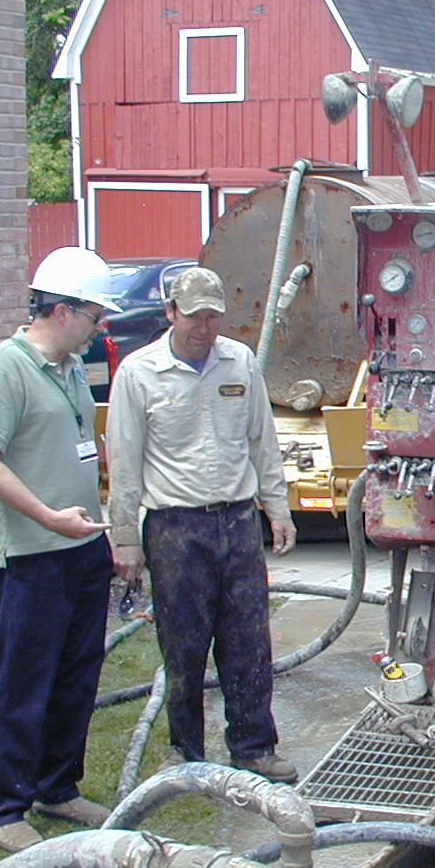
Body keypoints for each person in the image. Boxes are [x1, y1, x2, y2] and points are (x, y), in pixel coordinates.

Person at [105, 266, 299, 781]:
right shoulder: (138, 374)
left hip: (237, 522)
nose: (205, 327)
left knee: (249, 642)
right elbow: (123, 461)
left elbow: (264, 441)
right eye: (194, 317)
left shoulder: (240, 364)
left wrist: (277, 508)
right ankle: (186, 753)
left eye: (213, 317)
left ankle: (254, 746)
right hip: (174, 528)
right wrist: (125, 539)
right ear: (171, 313)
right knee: (184, 647)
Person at [0, 246, 118, 852]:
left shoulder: (73, 368)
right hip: (32, 554)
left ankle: (59, 787)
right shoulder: (5, 368)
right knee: (22, 682)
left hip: (82, 547)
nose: (99, 325)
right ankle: (5, 807)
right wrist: (48, 517)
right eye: (92, 315)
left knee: (77, 675)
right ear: (59, 310)